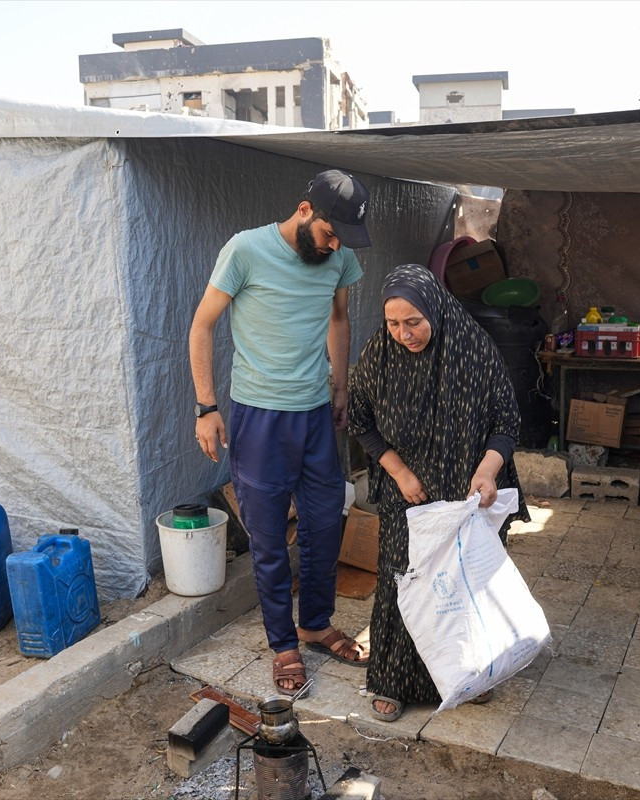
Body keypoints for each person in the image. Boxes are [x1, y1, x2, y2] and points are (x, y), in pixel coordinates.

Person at [188, 170, 373, 697]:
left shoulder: (339, 258)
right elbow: (202, 326)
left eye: (342, 240)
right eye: (330, 234)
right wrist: (206, 407)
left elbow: (339, 320)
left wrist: (340, 386)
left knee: (325, 524)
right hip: (259, 417)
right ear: (304, 210)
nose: (334, 247)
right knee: (269, 538)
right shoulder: (245, 250)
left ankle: (314, 624)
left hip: (315, 414)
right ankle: (283, 644)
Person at [347, 263, 530, 721]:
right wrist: (400, 473)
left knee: (466, 587)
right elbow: (361, 422)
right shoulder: (379, 354)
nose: (404, 334)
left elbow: (507, 421)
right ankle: (393, 680)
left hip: (469, 496)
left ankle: (470, 672)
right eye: (393, 323)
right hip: (408, 496)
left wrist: (488, 470)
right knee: (404, 581)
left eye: (414, 322)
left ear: (435, 309)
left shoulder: (473, 348)